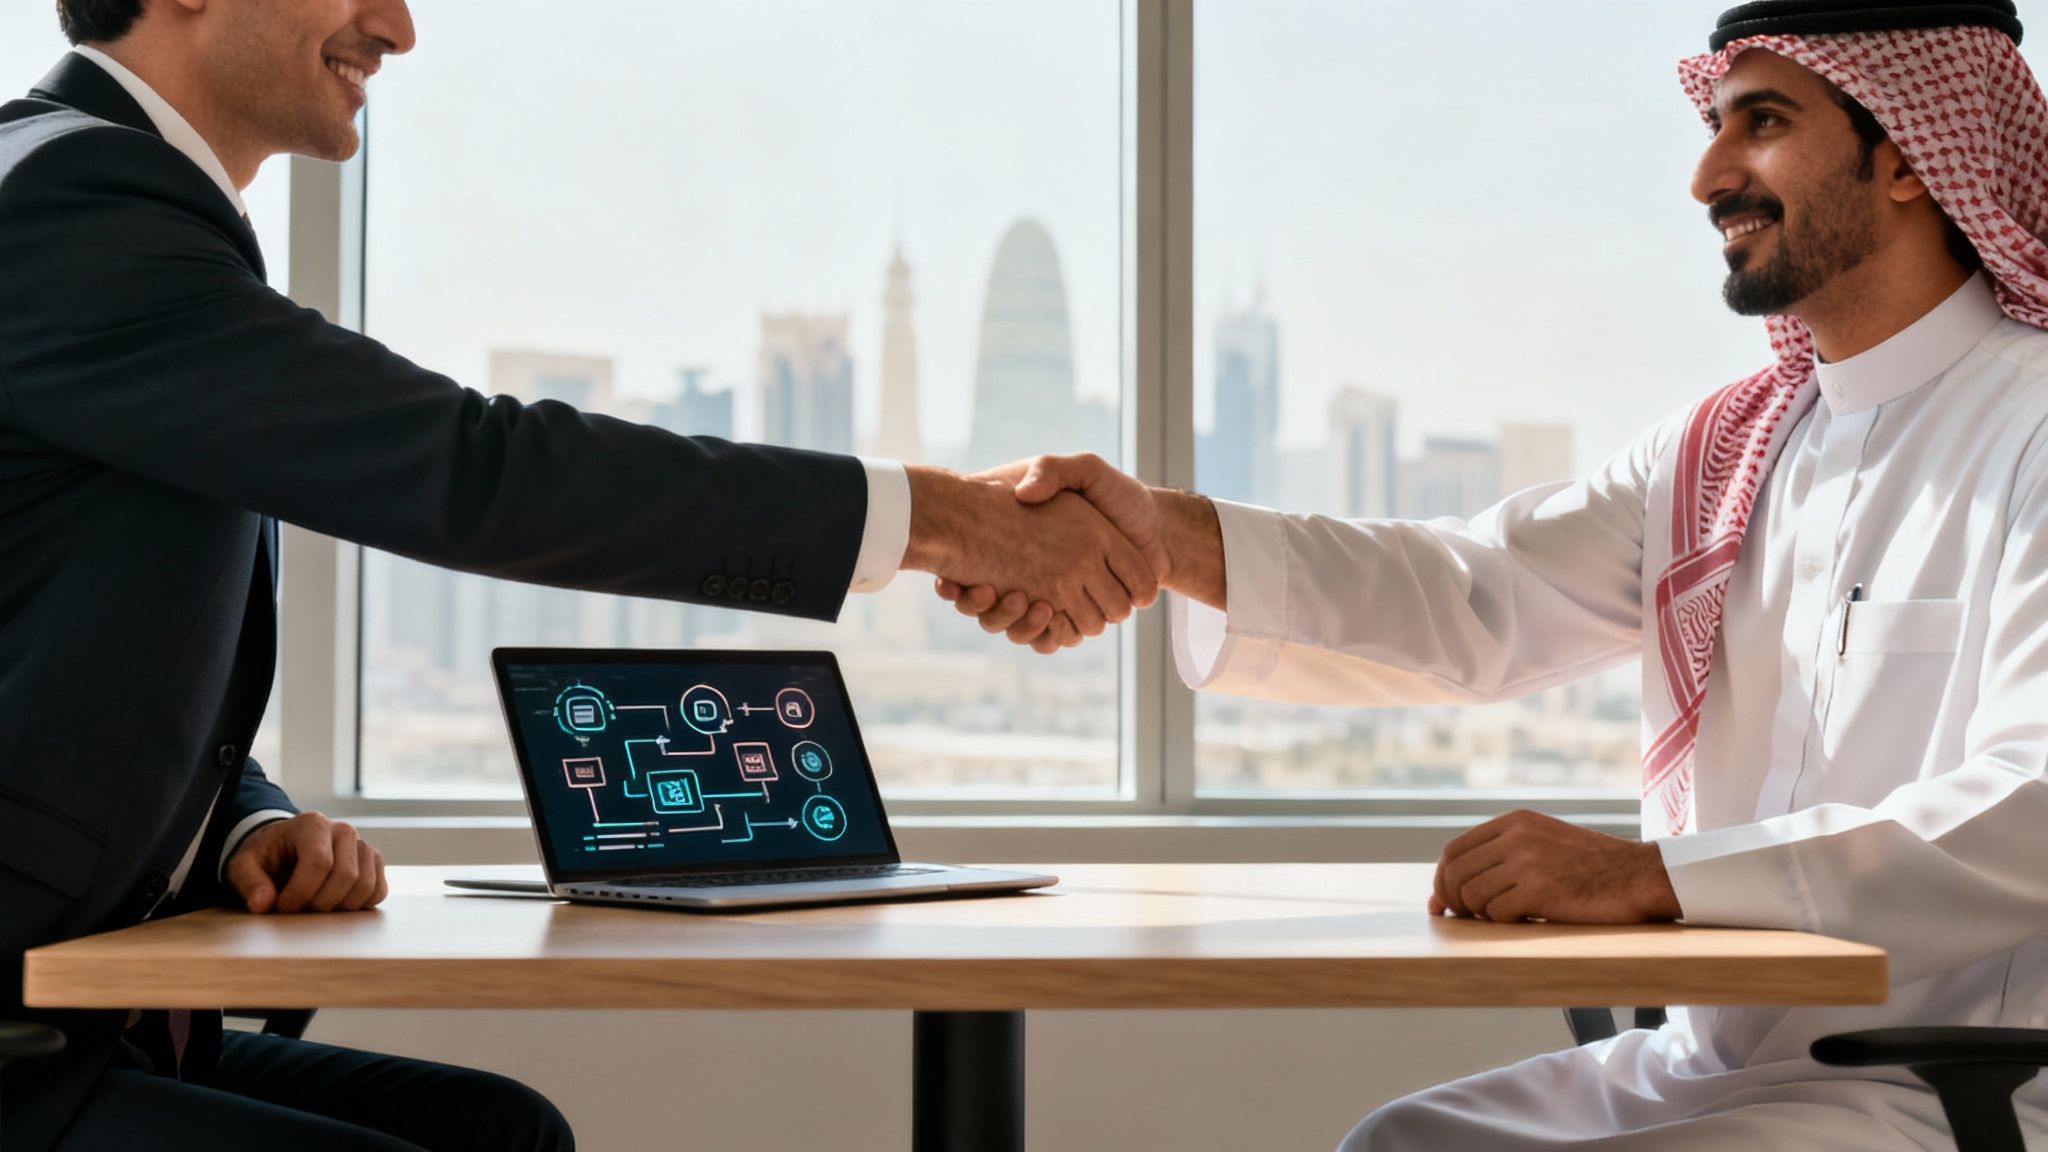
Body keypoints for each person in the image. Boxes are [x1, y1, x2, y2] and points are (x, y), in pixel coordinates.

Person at [0, 1, 1163, 1149]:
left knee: (505, 1135)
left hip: (84, 1022)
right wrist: (947, 521)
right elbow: (476, 471)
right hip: (25, 1043)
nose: (398, 27)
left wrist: (240, 821)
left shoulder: (98, 203)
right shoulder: (74, 207)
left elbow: (56, 627)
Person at [945, 1, 2048, 1146]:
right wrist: (1163, 537)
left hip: (1950, 1090)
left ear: (1910, 157)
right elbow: (1474, 591)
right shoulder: (1729, 448)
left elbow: (2034, 806)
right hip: (1703, 1065)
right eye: (1716, 125)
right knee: (1397, 1142)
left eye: (1760, 123)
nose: (1706, 175)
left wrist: (1654, 878)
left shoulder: (2034, 425)